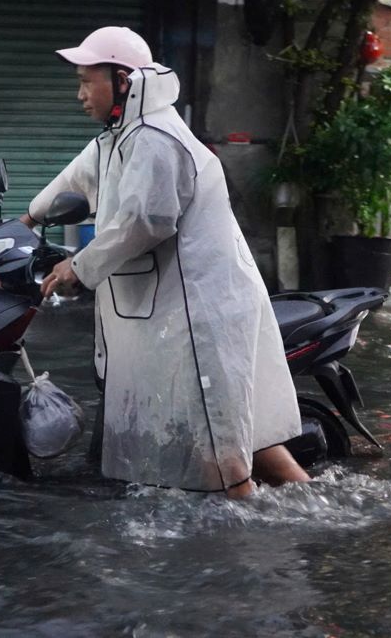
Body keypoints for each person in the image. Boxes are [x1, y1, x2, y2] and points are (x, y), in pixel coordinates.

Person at [22, 26, 309, 499]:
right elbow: (74, 179)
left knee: (220, 447)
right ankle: (306, 506)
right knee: (229, 430)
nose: (79, 95)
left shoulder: (156, 138)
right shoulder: (119, 136)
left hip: (201, 312)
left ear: (122, 80)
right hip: (173, 311)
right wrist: (26, 219)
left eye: (85, 81)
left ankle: (246, 539)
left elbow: (145, 221)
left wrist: (80, 266)